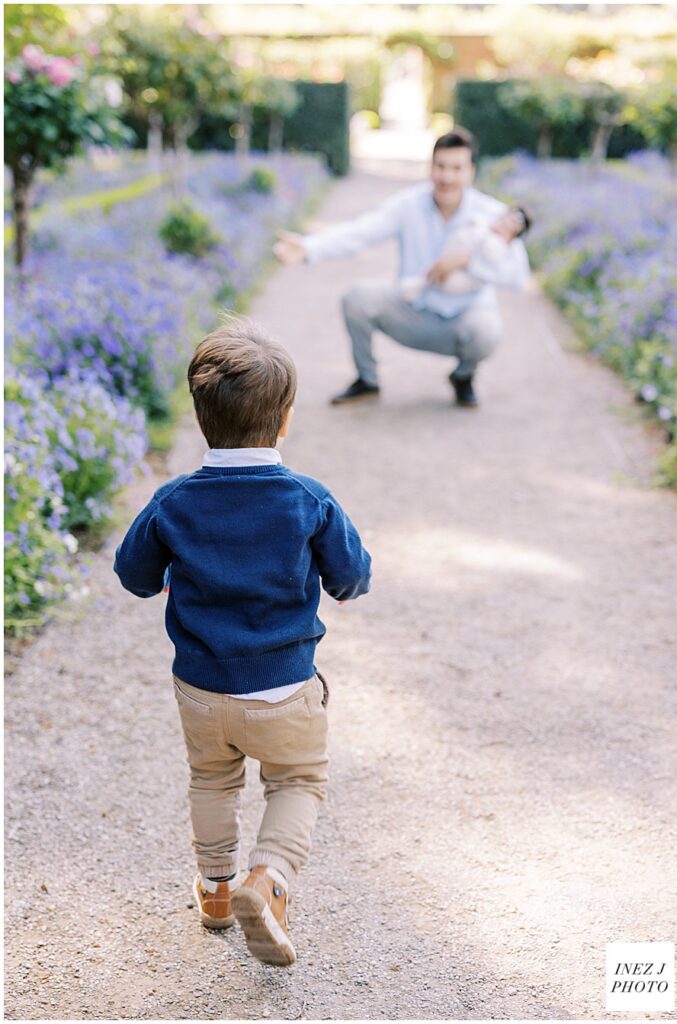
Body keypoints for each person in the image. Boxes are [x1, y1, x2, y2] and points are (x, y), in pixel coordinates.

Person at [113, 315, 372, 967]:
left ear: (202, 419)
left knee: (212, 779)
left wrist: (174, 569)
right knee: (298, 782)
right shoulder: (307, 500)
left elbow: (133, 576)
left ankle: (219, 891)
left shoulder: (173, 503)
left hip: (203, 690)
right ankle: (270, 878)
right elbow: (350, 578)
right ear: (284, 421)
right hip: (284, 689)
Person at [274, 127, 530, 408]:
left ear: (471, 172)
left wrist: (469, 260)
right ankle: (367, 380)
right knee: (357, 299)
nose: (447, 177)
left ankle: (463, 376)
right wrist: (309, 247)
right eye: (440, 166)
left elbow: (518, 275)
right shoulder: (409, 204)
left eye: (457, 168)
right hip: (413, 308)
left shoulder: (493, 215)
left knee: (488, 331)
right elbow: (363, 231)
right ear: (431, 167)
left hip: (463, 319)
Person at [401, 204, 532, 300]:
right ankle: (421, 284)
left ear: (511, 239)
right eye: (502, 221)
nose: (501, 227)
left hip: (466, 279)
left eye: (507, 230)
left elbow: (517, 279)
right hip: (450, 257)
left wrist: (469, 259)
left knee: (444, 282)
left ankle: (422, 285)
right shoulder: (484, 221)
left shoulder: (498, 246)